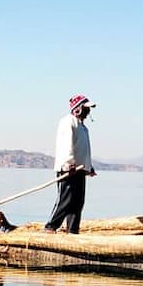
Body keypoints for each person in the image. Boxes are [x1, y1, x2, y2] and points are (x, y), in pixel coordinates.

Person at [45, 95, 97, 234]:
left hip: (80, 170)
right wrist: (69, 163)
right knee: (65, 200)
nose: (88, 111)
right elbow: (66, 144)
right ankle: (50, 227)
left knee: (78, 203)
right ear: (78, 109)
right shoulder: (68, 122)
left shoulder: (83, 127)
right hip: (68, 169)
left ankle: (72, 230)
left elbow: (84, 149)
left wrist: (88, 167)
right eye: (86, 108)